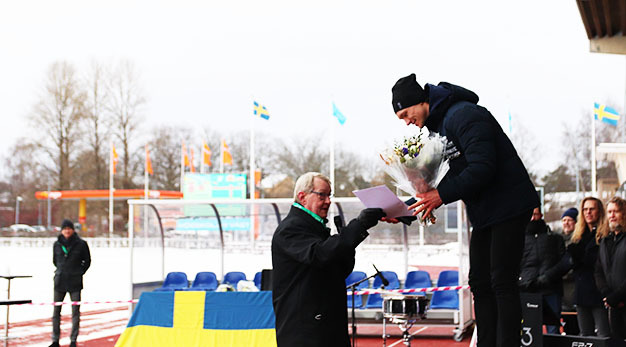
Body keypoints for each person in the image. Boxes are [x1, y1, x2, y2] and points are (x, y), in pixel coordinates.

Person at [390, 74, 539, 347]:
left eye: (405, 113)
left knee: (502, 282)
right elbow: (448, 178)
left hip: (509, 205)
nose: (407, 121)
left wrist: (439, 196)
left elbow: (483, 167)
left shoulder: (465, 115)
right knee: (479, 282)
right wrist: (406, 210)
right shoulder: (438, 128)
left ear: (420, 102)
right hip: (485, 213)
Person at [271, 172, 385, 347]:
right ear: (302, 197)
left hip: (324, 328)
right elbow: (320, 255)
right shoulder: (291, 228)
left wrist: (346, 242)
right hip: (306, 333)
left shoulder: (316, 228)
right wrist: (358, 226)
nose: (328, 201)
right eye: (322, 195)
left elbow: (339, 268)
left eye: (329, 195)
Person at [518, 207, 566, 334]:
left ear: (541, 215)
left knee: (553, 329)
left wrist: (548, 277)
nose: (533, 218)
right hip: (528, 290)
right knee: (530, 330)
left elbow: (563, 263)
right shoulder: (518, 239)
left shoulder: (555, 238)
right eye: (530, 215)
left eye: (535, 214)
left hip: (551, 289)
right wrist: (522, 281)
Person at [567, 197, 609, 337]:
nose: (588, 212)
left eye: (592, 209)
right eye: (585, 209)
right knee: (584, 336)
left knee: (604, 336)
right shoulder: (578, 237)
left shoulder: (605, 236)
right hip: (581, 293)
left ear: (599, 211)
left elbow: (597, 263)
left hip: (599, 292)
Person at [50, 219, 91, 347]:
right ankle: (55, 340)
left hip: (75, 282)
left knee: (75, 312)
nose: (67, 231)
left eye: (69, 228)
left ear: (73, 230)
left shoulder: (81, 244)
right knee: (56, 313)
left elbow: (87, 261)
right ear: (62, 230)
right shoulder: (57, 244)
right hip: (60, 281)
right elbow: (55, 261)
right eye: (64, 229)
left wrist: (79, 272)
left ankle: (73, 340)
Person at [595, 196, 626, 339]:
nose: (612, 215)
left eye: (616, 211)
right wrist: (607, 293)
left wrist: (617, 296)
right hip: (613, 306)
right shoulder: (605, 241)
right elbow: (599, 271)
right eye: (609, 212)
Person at [560, 207, 580, 335]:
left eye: (570, 220)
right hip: (563, 294)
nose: (566, 223)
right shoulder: (558, 240)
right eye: (564, 220)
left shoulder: (577, 241)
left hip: (574, 291)